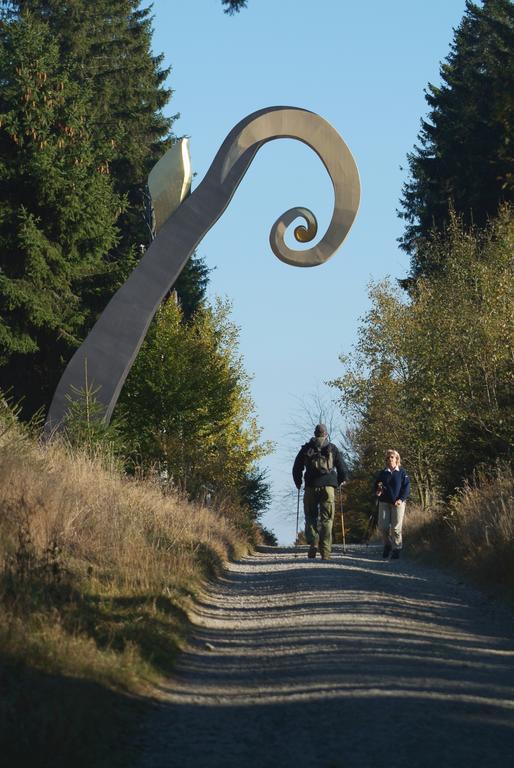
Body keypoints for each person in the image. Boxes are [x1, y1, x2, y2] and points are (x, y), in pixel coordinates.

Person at [292, 424, 348, 560]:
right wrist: (339, 482)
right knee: (327, 519)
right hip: (328, 486)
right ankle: (325, 552)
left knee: (310, 516)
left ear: (315, 434)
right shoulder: (332, 448)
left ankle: (314, 541)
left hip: (311, 486)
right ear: (326, 434)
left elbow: (296, 467)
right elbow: (343, 469)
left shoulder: (306, 448)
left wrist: (298, 482)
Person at [373, 449, 410, 559]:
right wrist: (378, 491)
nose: (390, 459)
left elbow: (406, 488)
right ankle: (388, 545)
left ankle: (397, 549)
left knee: (396, 528)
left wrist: (401, 499)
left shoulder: (402, 473)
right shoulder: (382, 473)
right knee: (383, 527)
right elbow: (376, 486)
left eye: (392, 457)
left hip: (398, 503)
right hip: (384, 502)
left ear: (397, 459)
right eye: (388, 457)